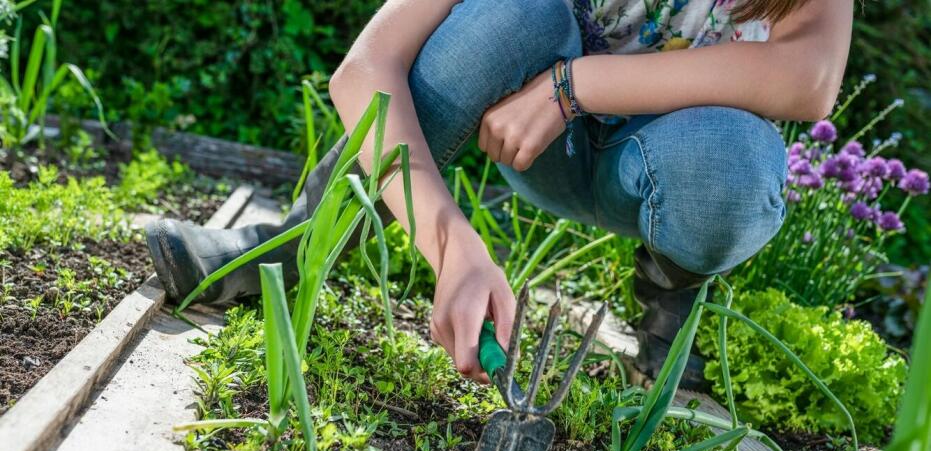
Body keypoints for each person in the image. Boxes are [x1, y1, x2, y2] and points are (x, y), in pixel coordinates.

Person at [145, 0, 853, 389]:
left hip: (666, 167)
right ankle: (301, 238)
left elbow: (809, 78)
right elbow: (366, 67)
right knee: (510, 13)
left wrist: (575, 87)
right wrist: (449, 242)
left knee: (735, 157)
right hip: (532, 145)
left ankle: (669, 295)